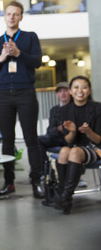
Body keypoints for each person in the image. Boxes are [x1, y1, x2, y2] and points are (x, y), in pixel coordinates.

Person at [0, 1, 44, 198]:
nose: (12, 17)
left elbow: (37, 62)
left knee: (31, 139)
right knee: (7, 141)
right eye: (8, 14)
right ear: (4, 16)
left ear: (21, 17)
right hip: (3, 95)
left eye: (16, 14)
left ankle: (37, 181)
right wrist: (2, 57)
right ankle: (9, 182)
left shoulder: (29, 37)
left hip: (26, 92)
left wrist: (18, 53)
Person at [53, 76, 101, 214]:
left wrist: (88, 131)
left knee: (74, 152)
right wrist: (73, 131)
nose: (80, 91)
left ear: (89, 90)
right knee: (63, 151)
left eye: (84, 87)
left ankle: (65, 197)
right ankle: (65, 198)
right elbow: (68, 141)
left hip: (95, 147)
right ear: (70, 91)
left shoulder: (98, 108)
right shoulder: (64, 110)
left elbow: (98, 140)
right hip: (76, 146)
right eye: (76, 87)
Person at [39, 82, 71, 151]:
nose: (63, 94)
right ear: (57, 95)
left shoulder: (75, 107)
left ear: (70, 92)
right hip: (57, 138)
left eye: (65, 91)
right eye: (60, 91)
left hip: (71, 138)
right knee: (36, 140)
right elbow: (50, 129)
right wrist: (59, 129)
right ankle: (44, 161)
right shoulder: (54, 109)